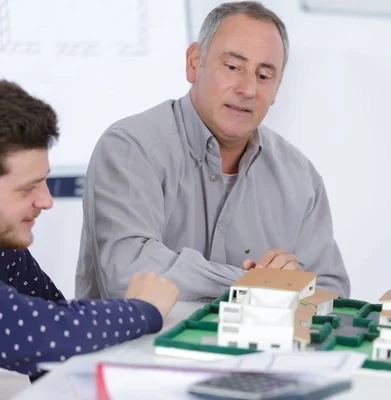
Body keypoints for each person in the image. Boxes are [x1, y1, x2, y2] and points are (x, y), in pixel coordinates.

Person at [75, 1, 350, 301]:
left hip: (260, 349)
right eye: (233, 67)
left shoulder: (301, 178)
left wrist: (301, 287)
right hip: (140, 347)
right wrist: (256, 284)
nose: (247, 88)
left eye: (263, 76)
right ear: (194, 63)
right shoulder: (130, 148)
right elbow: (128, 273)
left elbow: (333, 294)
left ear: (277, 88)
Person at [0, 79, 179, 377]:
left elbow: (58, 329)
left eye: (43, 180)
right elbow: (45, 334)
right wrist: (143, 308)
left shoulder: (6, 250)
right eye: (27, 188)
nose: (46, 201)